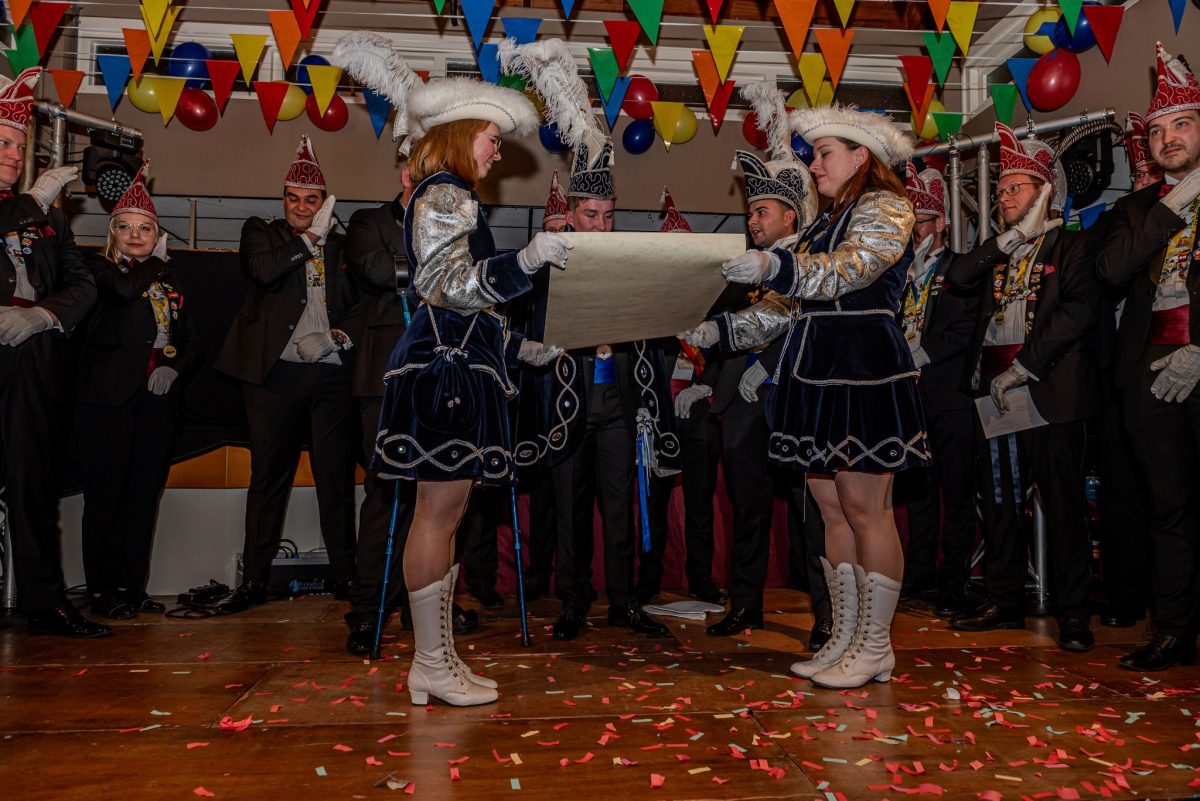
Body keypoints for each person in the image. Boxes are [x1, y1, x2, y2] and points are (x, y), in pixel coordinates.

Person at [334, 30, 563, 705]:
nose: (498, 150)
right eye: (492, 138)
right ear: (464, 135)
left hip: (457, 363)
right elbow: (446, 286)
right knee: (436, 515)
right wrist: (526, 260)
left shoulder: (454, 195)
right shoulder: (444, 194)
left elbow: (470, 307)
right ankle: (430, 662)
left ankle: (437, 658)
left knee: (446, 512)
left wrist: (517, 349)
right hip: (444, 372)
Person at [716, 104, 926, 689]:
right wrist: (718, 332)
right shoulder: (820, 224)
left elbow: (851, 270)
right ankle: (846, 635)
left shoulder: (886, 207)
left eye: (824, 154)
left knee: (866, 508)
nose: (814, 165)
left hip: (863, 368)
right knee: (830, 508)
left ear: (861, 157)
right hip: (816, 369)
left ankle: (876, 645)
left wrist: (775, 266)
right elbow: (785, 309)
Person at [502, 38, 679, 642]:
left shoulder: (627, 259)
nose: (600, 225)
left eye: (607, 214)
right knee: (569, 507)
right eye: (589, 215)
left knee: (620, 506)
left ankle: (624, 602)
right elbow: (521, 319)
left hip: (618, 401)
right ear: (571, 214)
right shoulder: (544, 263)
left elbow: (653, 330)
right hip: (565, 398)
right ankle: (573, 602)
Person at [946, 122, 1102, 653]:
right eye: (1001, 189)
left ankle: (1074, 611)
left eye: (1016, 187)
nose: (1004, 196)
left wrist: (1026, 365)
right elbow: (958, 277)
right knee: (1000, 502)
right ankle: (1004, 596)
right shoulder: (1000, 249)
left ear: (1045, 192)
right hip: (994, 395)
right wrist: (1011, 237)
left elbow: (1078, 312)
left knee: (1063, 504)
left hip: (1048, 389)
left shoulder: (1074, 244)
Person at [680, 81, 824, 640]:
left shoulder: (812, 264)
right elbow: (723, 330)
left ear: (789, 217)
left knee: (812, 509)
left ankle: (827, 616)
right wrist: (710, 379)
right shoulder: (743, 270)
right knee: (748, 509)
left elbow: (806, 323)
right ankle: (746, 605)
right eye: (751, 212)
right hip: (743, 405)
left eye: (762, 211)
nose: (754, 221)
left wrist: (771, 364)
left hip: (794, 399)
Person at [214, 135, 360, 613]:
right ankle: (254, 582)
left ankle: (346, 577)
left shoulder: (345, 246)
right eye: (293, 198)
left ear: (324, 201)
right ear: (283, 200)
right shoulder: (262, 232)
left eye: (311, 200)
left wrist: (338, 335)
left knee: (335, 479)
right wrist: (310, 238)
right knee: (268, 479)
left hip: (332, 376)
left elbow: (366, 305)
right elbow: (263, 271)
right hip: (275, 375)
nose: (301, 206)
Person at [1096, 43, 1200, 671]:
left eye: (1181, 123)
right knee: (1168, 507)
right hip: (1148, 373)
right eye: (1157, 131)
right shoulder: (1137, 208)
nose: (1168, 139)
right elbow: (1111, 270)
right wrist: (1171, 206)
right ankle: (1176, 630)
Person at [0, 67, 106, 637]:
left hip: (34, 358)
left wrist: (41, 315)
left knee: (33, 484)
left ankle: (44, 601)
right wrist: (32, 202)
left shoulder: (50, 220)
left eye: (20, 146)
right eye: (5, 144)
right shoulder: (31, 207)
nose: (16, 155)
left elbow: (81, 283)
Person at [76, 164, 200, 620]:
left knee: (144, 496)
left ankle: (133, 587)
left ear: (156, 233)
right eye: (126, 227)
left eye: (145, 228)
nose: (135, 235)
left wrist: (174, 367)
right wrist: (155, 263)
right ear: (113, 232)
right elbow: (125, 292)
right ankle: (101, 590)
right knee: (105, 496)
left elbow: (192, 341)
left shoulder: (171, 280)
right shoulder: (97, 268)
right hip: (108, 400)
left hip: (156, 401)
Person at [895, 164, 978, 619]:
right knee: (919, 492)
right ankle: (920, 573)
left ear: (942, 222)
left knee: (957, 494)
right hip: (911, 399)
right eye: (910, 225)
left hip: (950, 397)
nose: (916, 232)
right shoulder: (903, 273)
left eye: (923, 222)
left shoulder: (960, 268)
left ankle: (953, 582)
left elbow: (965, 329)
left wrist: (924, 353)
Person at [1090, 112, 1158, 633]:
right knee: (1121, 492)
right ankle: (1126, 593)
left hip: (1167, 366)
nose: (1144, 184)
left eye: (1151, 176)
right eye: (1138, 176)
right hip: (1117, 377)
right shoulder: (1119, 224)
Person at [643, 189, 725, 608]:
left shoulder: (714, 301)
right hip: (659, 414)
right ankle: (648, 579)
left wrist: (705, 384)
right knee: (655, 501)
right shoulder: (651, 306)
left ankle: (701, 578)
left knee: (699, 503)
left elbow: (725, 352)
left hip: (699, 412)